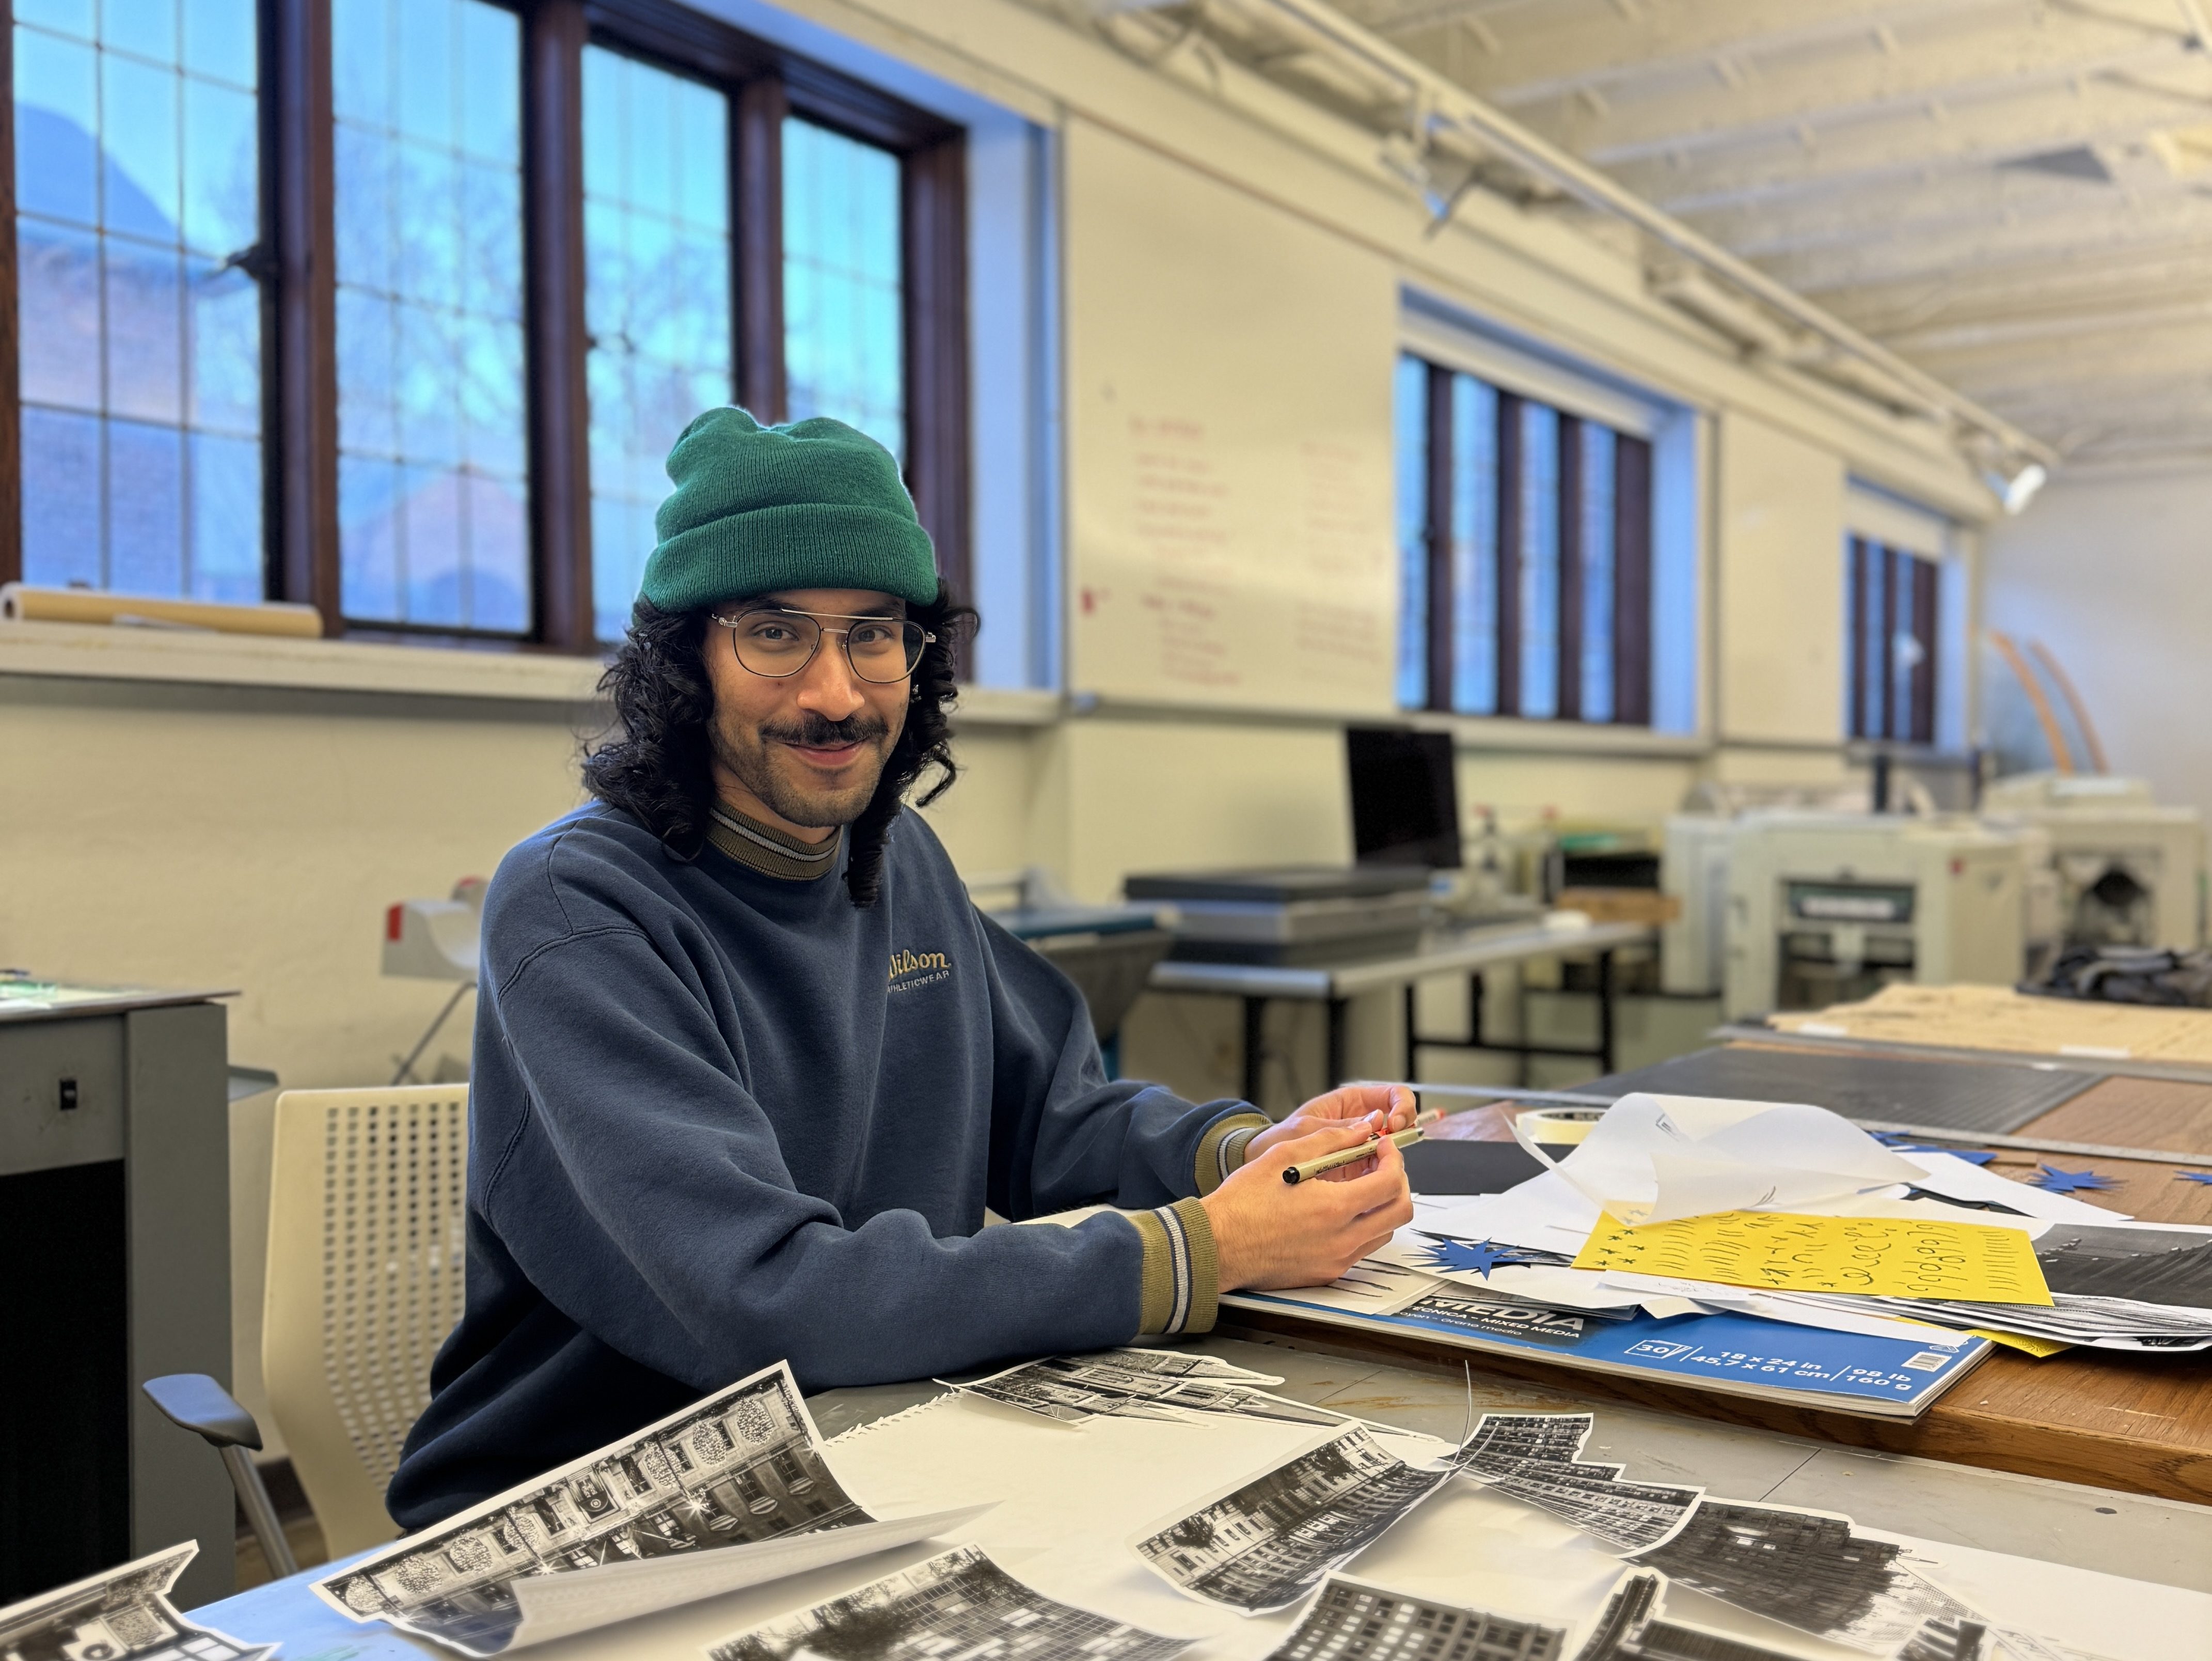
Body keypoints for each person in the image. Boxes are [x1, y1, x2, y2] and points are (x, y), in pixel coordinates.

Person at [387, 409, 1416, 1528]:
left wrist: (1246, 1155)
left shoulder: (896, 855)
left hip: (873, 1443)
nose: (836, 695)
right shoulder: (576, 904)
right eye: (775, 633)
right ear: (684, 661)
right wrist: (1202, 1251)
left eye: (872, 635)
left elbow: (1053, 1122)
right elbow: (768, 1299)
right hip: (591, 1499)